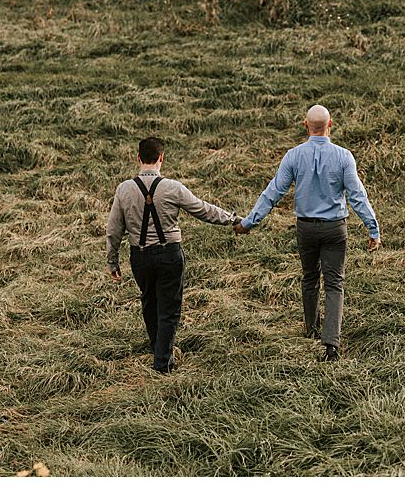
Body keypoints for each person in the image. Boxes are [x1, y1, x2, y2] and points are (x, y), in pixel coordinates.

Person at [234, 105, 380, 362]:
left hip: (306, 228)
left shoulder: (293, 156)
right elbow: (357, 196)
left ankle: (311, 329)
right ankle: (331, 343)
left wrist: (249, 222)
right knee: (335, 283)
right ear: (330, 124)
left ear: (305, 125)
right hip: (335, 228)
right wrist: (373, 229)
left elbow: (273, 192)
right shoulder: (344, 156)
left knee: (309, 277)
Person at [106, 136, 240, 373]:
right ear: (161, 158)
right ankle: (162, 363)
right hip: (169, 255)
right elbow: (203, 210)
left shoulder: (124, 189)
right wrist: (232, 219)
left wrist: (112, 261)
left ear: (138, 158)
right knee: (169, 308)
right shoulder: (173, 187)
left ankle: (157, 348)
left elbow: (114, 229)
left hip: (140, 256)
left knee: (149, 301)